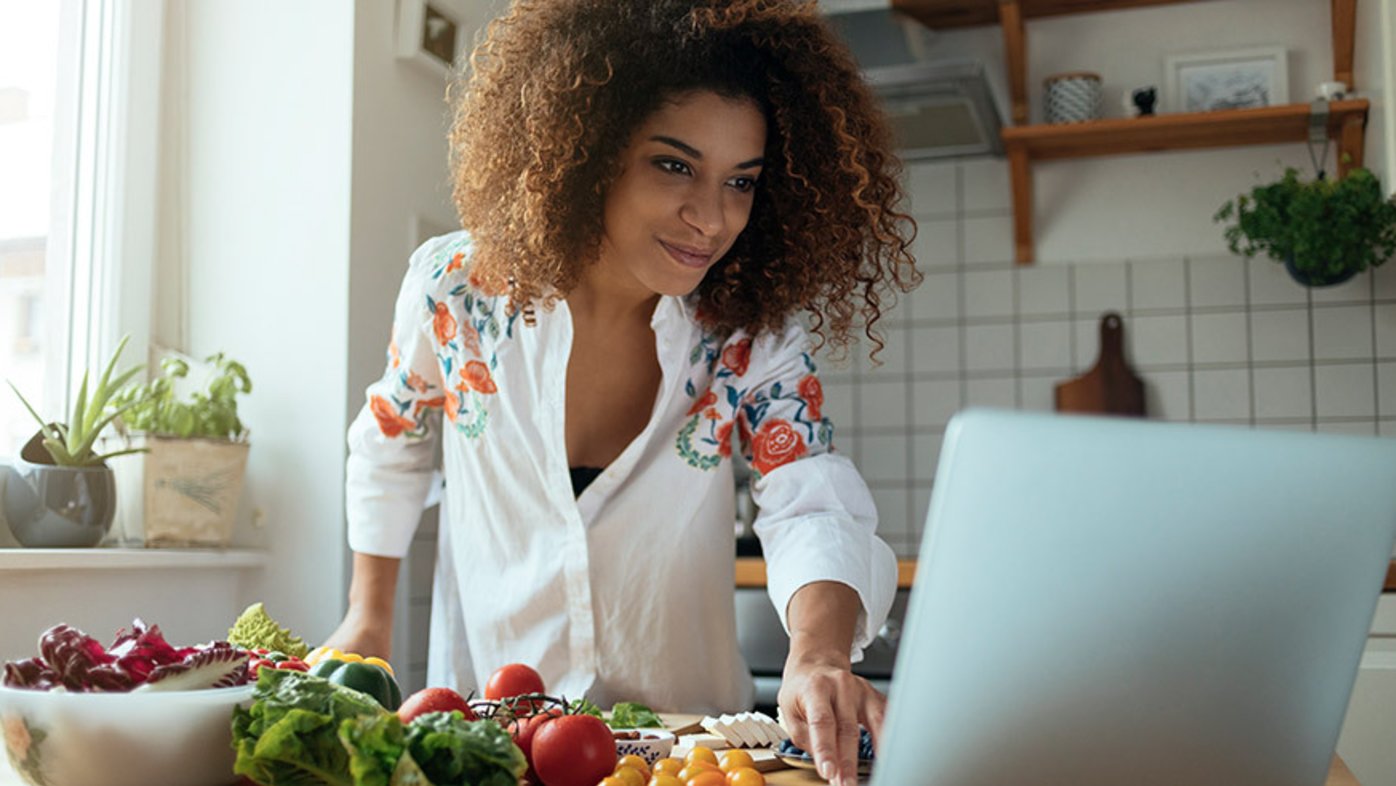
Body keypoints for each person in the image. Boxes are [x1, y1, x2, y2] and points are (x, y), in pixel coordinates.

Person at [327, 1, 918, 783]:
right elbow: (391, 442)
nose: (710, 218)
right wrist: (367, 618)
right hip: (498, 742)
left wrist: (817, 653)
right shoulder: (456, 290)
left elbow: (809, 496)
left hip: (693, 753)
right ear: (590, 151)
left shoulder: (747, 331)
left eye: (740, 181)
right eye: (674, 165)